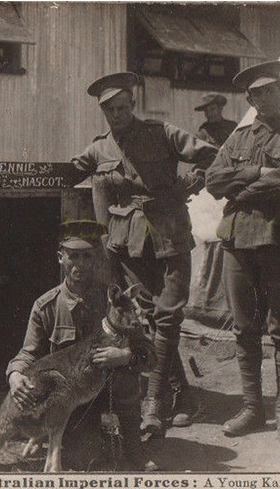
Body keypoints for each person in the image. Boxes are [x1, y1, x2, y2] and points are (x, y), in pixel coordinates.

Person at [68, 72, 218, 437]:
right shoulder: (100, 148)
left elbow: (213, 154)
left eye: (123, 107)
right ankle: (181, 396)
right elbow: (69, 170)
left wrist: (194, 179)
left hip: (170, 235)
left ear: (133, 105)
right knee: (150, 318)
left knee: (168, 315)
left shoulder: (162, 132)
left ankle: (154, 403)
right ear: (103, 112)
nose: (117, 115)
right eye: (110, 110)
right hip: (129, 243)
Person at [205, 61, 280, 446]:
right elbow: (213, 181)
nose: (263, 97)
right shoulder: (235, 139)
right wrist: (257, 173)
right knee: (243, 327)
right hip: (237, 242)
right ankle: (252, 407)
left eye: (271, 90)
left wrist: (241, 186)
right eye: (256, 93)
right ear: (249, 100)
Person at [6, 219, 157, 470]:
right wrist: (14, 375)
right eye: (73, 257)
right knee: (86, 458)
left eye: (87, 257)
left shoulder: (116, 301)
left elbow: (149, 354)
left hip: (107, 391)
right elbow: (28, 353)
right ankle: (93, 439)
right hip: (72, 399)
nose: (80, 265)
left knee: (126, 379)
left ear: (97, 259)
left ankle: (133, 449)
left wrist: (125, 355)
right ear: (60, 258)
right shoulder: (47, 306)